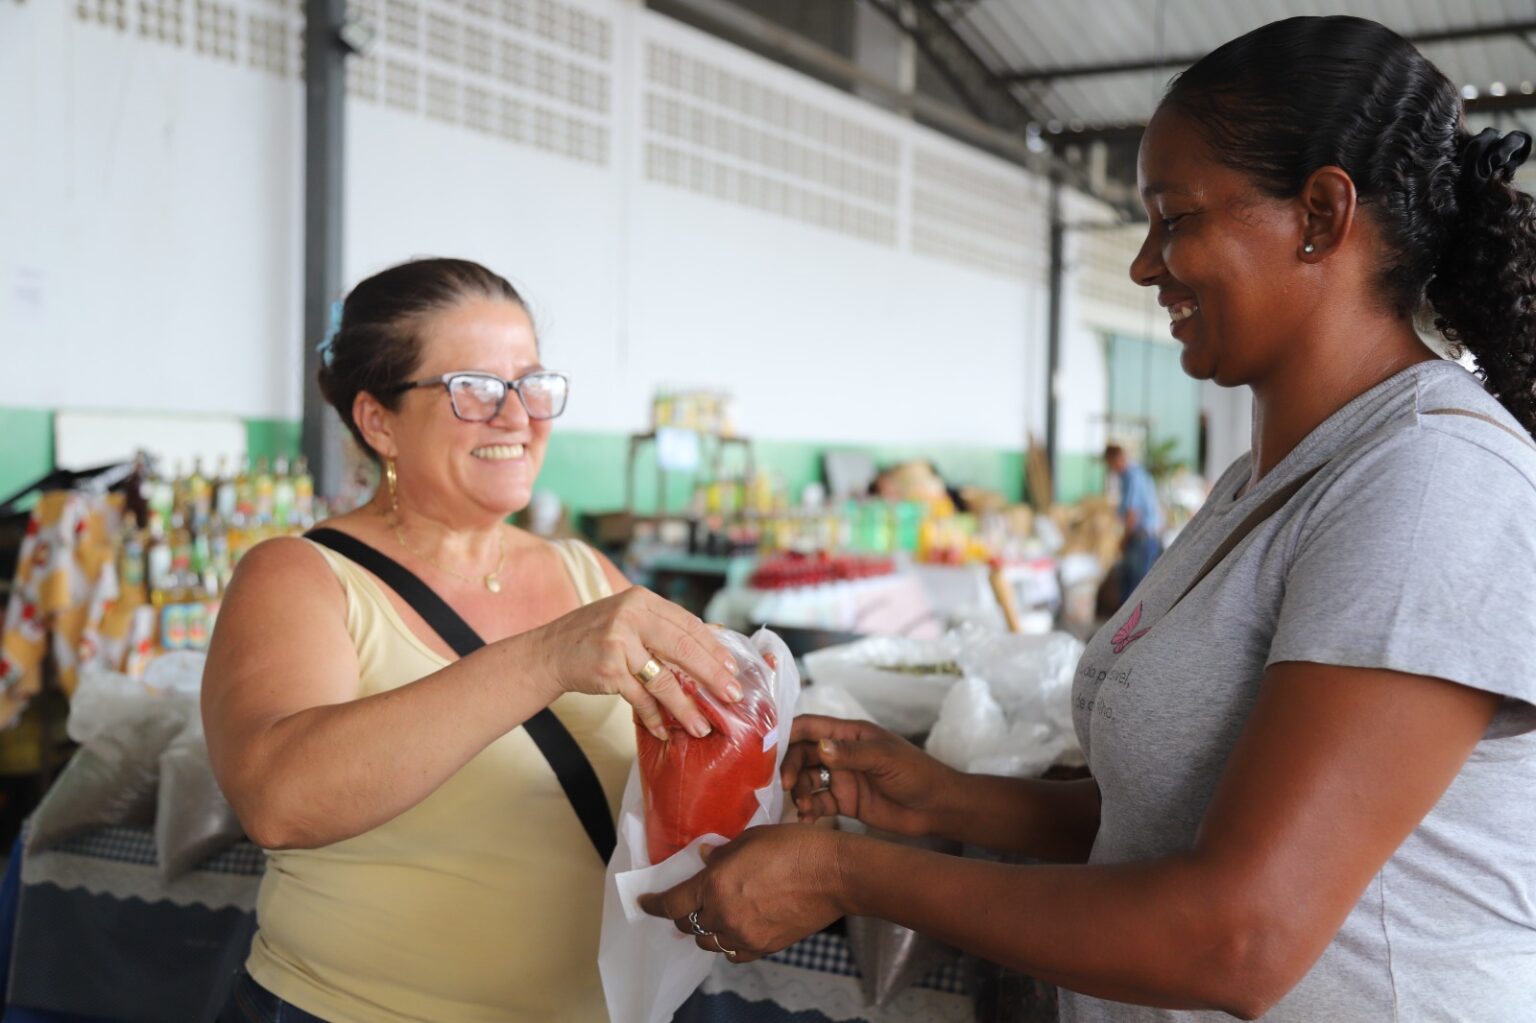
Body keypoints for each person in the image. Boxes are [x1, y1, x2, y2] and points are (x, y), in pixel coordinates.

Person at [642, 16, 1536, 1021]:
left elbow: (1241, 936)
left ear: (1322, 214)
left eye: (1175, 217)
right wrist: (942, 797)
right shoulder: (1263, 480)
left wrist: (849, 876)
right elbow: (1169, 820)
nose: (1145, 265)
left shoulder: (1427, 484)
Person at [202, 258, 741, 1022]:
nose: (517, 415)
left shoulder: (584, 570)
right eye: (474, 388)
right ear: (377, 420)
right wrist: (547, 655)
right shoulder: (302, 576)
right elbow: (278, 797)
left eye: (529, 382)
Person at [1103, 443, 1163, 597]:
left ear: (1117, 459)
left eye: (1110, 464)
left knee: (1137, 591)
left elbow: (1132, 513)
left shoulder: (1133, 477)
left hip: (1142, 538)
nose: (1111, 469)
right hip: (1142, 537)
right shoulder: (1129, 476)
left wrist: (1124, 539)